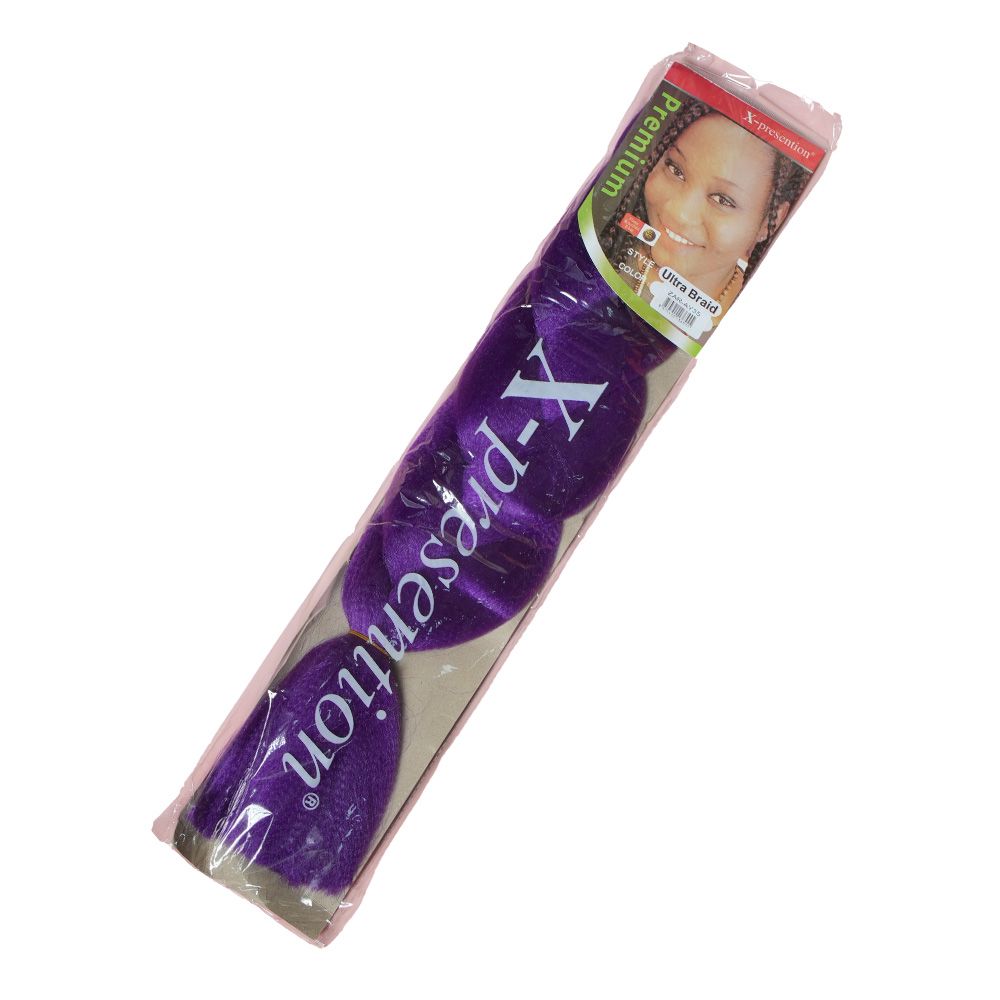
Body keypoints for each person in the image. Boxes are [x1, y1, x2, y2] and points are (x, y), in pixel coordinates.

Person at [599, 95, 809, 326]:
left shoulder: (759, 324)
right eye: (675, 170)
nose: (680, 213)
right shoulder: (599, 253)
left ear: (770, 222)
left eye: (723, 200)